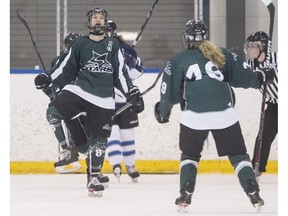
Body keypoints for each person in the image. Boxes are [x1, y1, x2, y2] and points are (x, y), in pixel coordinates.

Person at [153, 19, 274, 212]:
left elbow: (170, 95)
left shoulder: (177, 60)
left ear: (186, 38)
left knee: (189, 156)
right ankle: (252, 190)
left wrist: (163, 112)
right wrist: (260, 77)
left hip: (194, 116)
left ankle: (185, 193)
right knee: (239, 157)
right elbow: (245, 77)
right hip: (224, 113)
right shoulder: (222, 53)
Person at [34, 7, 142, 197]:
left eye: (101, 17)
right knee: (53, 112)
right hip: (80, 91)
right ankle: (68, 149)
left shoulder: (112, 45)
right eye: (95, 18)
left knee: (99, 142)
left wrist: (130, 91)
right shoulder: (79, 43)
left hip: (104, 99)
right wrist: (48, 78)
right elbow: (65, 68)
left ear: (105, 22)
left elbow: (120, 73)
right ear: (89, 22)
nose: (98, 20)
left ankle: (93, 177)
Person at [105, 19, 144, 183]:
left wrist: (130, 61)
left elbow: (136, 72)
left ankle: (129, 165)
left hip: (125, 98)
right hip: (106, 100)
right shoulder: (93, 48)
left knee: (127, 133)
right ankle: (116, 164)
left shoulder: (125, 49)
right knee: (111, 133)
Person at [244, 31, 278, 181]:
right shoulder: (251, 65)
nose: (250, 50)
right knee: (263, 137)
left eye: (254, 47)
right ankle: (256, 168)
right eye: (249, 47)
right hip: (274, 106)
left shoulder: (277, 58)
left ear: (263, 47)